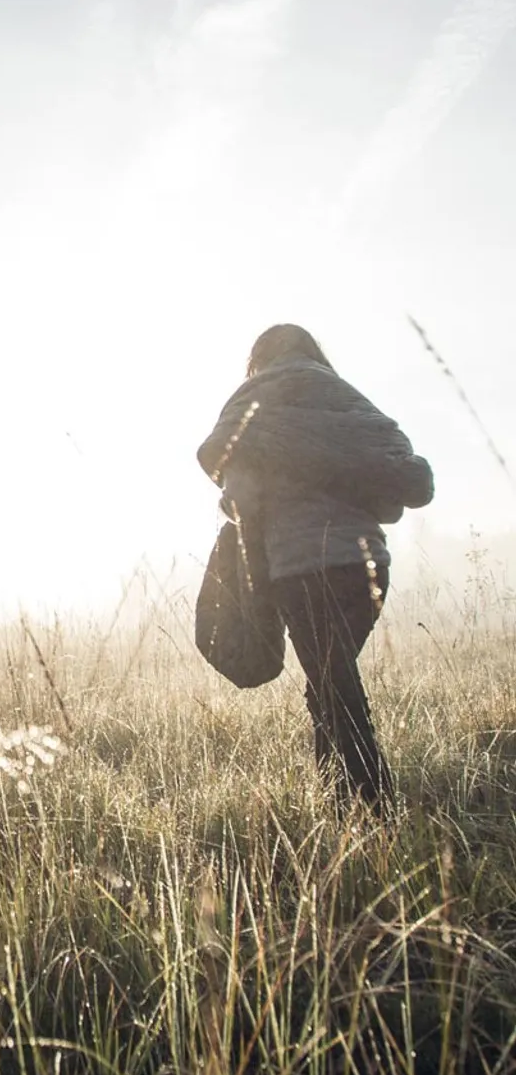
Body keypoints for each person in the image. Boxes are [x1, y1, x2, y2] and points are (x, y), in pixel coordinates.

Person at [197, 324, 434, 814]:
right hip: (368, 568)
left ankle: (373, 808)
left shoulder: (253, 404)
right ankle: (338, 798)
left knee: (336, 687)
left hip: (301, 571)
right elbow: (399, 486)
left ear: (257, 360)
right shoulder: (347, 399)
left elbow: (241, 497)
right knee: (329, 681)